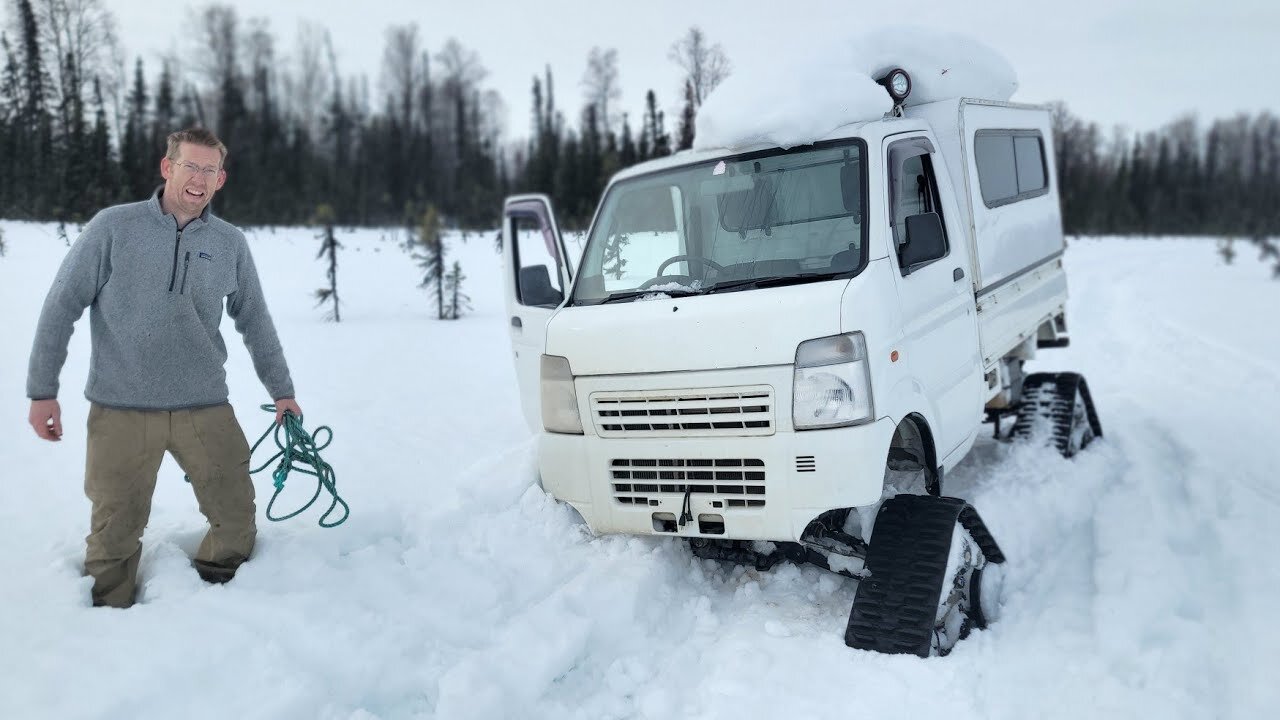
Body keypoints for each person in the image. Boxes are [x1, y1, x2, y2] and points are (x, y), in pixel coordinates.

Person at [25, 127, 301, 609]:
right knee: (114, 535)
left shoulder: (229, 243)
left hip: (205, 406)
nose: (198, 178)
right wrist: (42, 390)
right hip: (122, 409)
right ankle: (109, 626)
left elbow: (254, 320)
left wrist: (282, 391)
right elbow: (61, 304)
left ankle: (215, 604)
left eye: (209, 170)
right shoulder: (114, 227)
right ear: (166, 167)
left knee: (236, 521)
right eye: (189, 165)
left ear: (221, 180)